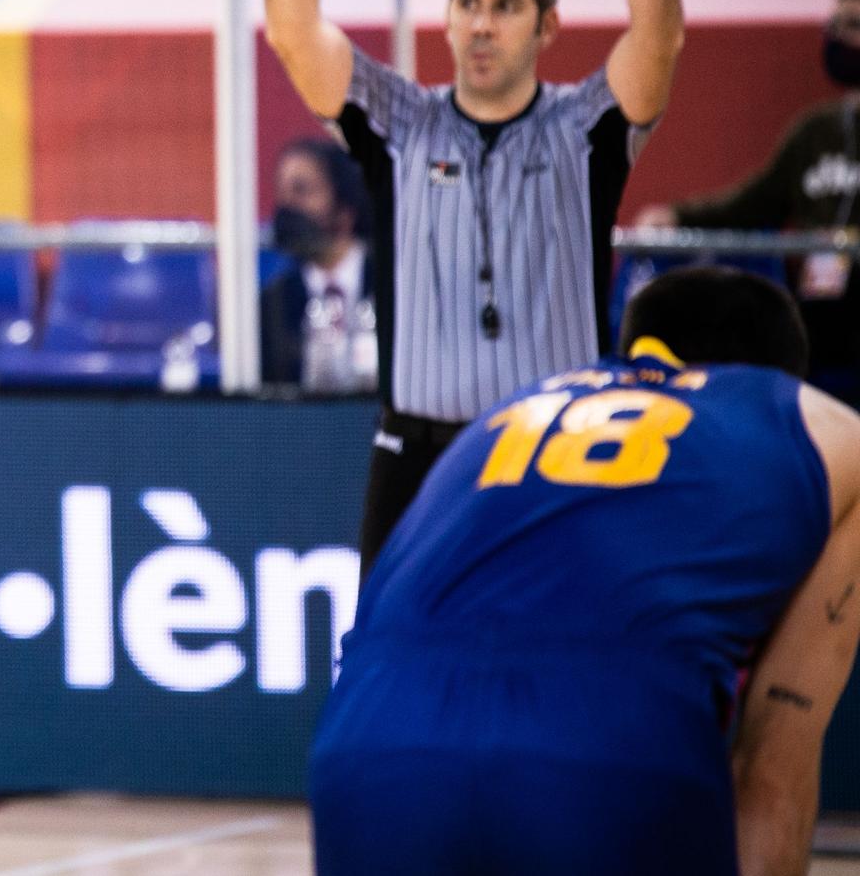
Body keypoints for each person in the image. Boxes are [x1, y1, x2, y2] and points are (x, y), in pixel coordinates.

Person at [263, 0, 686, 570]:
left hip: (561, 448)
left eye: (505, 5)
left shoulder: (584, 127)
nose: (481, 25)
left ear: (548, 23)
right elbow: (294, 35)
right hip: (418, 457)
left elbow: (658, 43)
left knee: (564, 663)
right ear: (448, 16)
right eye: (467, 3)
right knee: (392, 669)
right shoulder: (399, 122)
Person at [309, 266, 860, 875]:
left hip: (369, 742)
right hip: (605, 747)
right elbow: (768, 773)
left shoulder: (509, 413)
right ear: (780, 373)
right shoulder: (824, 428)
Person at [636, 0, 860, 404]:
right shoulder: (817, 130)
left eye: (852, 24)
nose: (838, 37)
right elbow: (757, 200)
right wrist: (680, 217)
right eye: (836, 23)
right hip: (821, 318)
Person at [261, 136, 373, 391]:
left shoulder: (394, 286)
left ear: (345, 206)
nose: (287, 207)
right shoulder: (273, 303)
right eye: (282, 193)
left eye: (301, 191)